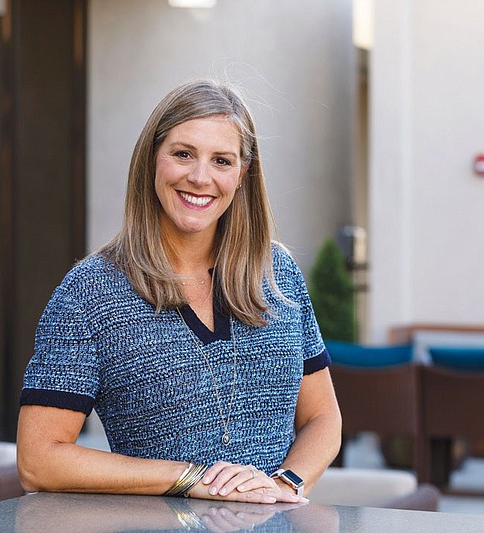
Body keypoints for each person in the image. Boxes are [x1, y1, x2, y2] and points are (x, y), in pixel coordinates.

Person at [17, 79, 342, 504]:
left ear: (243, 174)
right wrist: (192, 479)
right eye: (183, 154)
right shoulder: (91, 291)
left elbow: (323, 417)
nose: (200, 177)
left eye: (222, 160)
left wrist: (285, 485)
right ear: (153, 159)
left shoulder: (277, 272)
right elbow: (38, 461)